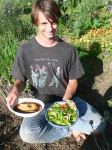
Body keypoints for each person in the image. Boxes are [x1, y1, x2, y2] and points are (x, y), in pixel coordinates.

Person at [6, 0, 106, 143]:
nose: (50, 28)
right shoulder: (25, 50)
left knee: (100, 125)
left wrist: (65, 103)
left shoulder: (68, 50)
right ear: (36, 23)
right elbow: (20, 80)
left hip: (68, 101)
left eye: (53, 22)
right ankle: (71, 128)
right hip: (40, 104)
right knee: (27, 134)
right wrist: (15, 91)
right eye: (44, 23)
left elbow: (72, 81)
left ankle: (63, 125)